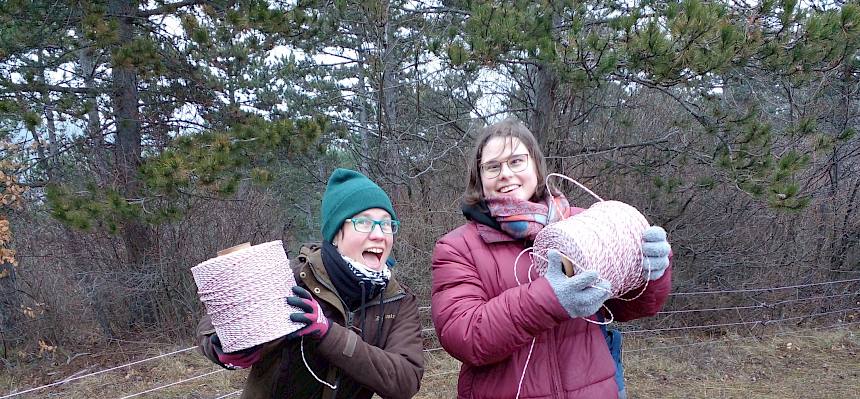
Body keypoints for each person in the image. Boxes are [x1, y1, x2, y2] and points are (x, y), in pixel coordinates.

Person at [430, 118, 672, 399]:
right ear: (479, 179)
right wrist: (549, 298)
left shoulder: (582, 224)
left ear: (536, 166)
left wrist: (651, 273)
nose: (505, 173)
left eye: (516, 161)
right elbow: (465, 336)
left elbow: (631, 308)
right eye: (493, 167)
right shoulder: (457, 247)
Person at [197, 168, 424, 399]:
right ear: (336, 233)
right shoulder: (292, 276)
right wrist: (224, 349)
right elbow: (212, 325)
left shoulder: (398, 300)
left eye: (387, 224)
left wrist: (329, 334)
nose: (379, 235)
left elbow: (405, 381)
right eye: (364, 223)